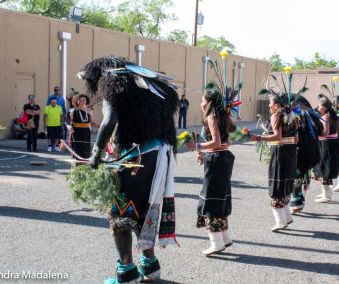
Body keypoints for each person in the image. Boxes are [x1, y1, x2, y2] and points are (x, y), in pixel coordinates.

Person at [81, 56, 179, 283]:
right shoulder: (152, 86)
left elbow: (110, 120)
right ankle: (150, 265)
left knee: (120, 213)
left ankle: (126, 272)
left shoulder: (113, 82)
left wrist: (95, 154)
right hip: (159, 157)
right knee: (143, 210)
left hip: (136, 157)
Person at [185, 89, 236, 255]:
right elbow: (228, 140)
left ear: (210, 103)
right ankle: (225, 238)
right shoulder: (223, 115)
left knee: (211, 200)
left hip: (217, 161)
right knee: (219, 197)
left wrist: (197, 146)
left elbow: (216, 141)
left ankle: (217, 243)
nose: (201, 104)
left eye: (203, 101)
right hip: (222, 159)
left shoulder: (212, 116)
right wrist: (204, 151)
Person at [250, 94, 298, 232]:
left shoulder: (276, 115)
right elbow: (296, 138)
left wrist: (258, 138)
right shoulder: (292, 115)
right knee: (285, 183)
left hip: (280, 153)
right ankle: (287, 217)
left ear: (276, 105)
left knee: (277, 185)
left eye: (270, 103)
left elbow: (277, 136)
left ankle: (280, 221)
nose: (269, 105)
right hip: (290, 151)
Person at [313, 94, 339, 203]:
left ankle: (326, 195)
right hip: (332, 143)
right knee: (326, 167)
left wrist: (316, 133)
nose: (317, 108)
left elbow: (325, 132)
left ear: (324, 108)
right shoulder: (332, 116)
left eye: (319, 106)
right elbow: (337, 131)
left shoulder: (325, 117)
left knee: (324, 167)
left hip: (326, 144)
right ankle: (327, 192)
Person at [68, 94, 94, 159]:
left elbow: (92, 122)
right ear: (77, 101)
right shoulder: (73, 111)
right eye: (80, 100)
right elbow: (69, 123)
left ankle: (85, 166)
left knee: (86, 149)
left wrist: (102, 126)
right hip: (76, 133)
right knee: (76, 150)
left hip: (86, 132)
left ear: (86, 101)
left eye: (84, 100)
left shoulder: (90, 111)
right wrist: (69, 128)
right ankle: (76, 166)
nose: (82, 102)